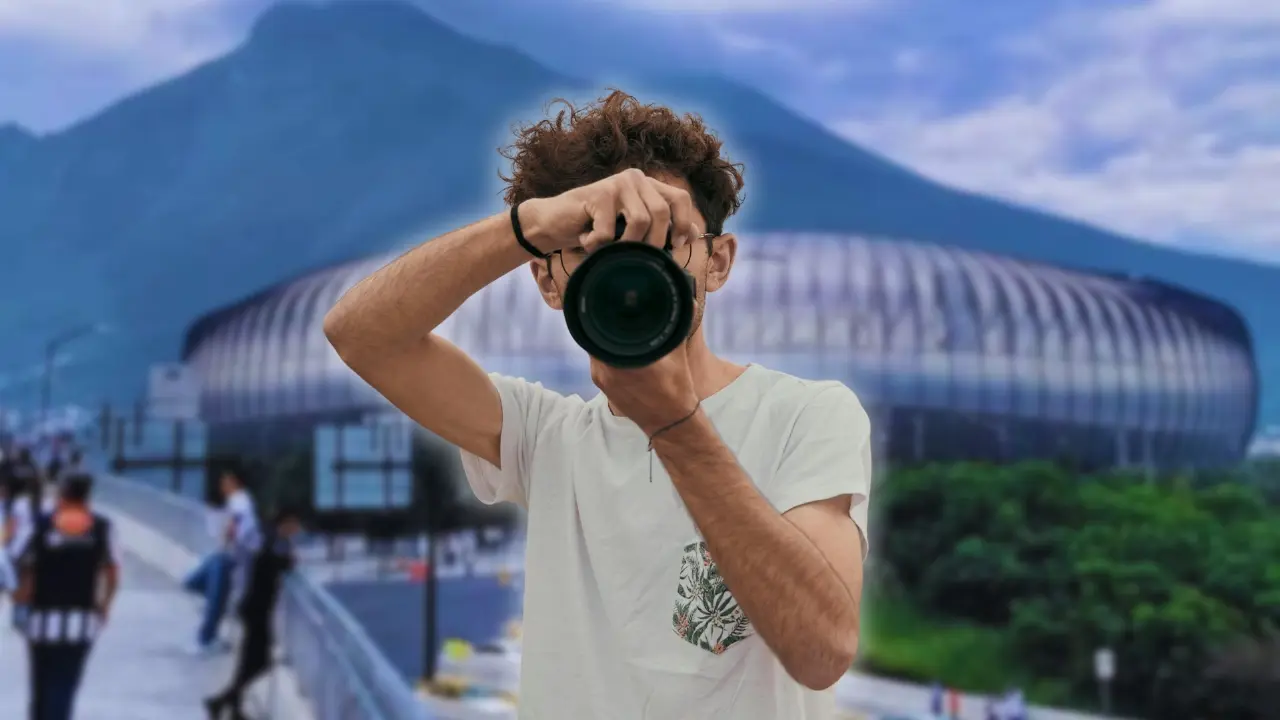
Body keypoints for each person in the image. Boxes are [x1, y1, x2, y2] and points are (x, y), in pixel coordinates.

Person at [325, 90, 871, 718]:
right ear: (548, 279)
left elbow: (823, 650)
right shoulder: (544, 434)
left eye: (666, 237)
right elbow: (360, 333)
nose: (633, 267)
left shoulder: (808, 414)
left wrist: (676, 426)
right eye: (593, 243)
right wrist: (528, 226)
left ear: (717, 261)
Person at [12, 472, 120, 720]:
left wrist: (19, 597)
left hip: (40, 620)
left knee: (40, 684)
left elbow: (17, 560)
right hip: (81, 623)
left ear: (61, 493)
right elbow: (113, 572)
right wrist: (104, 605)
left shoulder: (39, 524)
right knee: (64, 685)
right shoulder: (103, 527)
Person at [203, 507, 301, 720]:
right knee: (261, 661)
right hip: (257, 609)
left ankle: (230, 707)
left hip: (254, 608)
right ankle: (221, 701)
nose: (297, 530)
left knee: (248, 661)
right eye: (295, 525)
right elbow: (270, 563)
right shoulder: (271, 539)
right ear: (287, 522)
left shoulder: (267, 536)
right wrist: (288, 562)